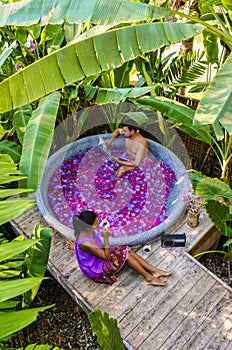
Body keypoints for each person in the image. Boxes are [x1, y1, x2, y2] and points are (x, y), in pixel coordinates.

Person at [66, 210, 172, 286]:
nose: (98, 223)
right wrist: (106, 238)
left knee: (126, 249)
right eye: (96, 223)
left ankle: (154, 271)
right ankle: (148, 278)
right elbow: (106, 257)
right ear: (88, 227)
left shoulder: (82, 230)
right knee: (126, 254)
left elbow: (81, 248)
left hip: (98, 256)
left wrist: (75, 247)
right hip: (97, 270)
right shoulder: (87, 242)